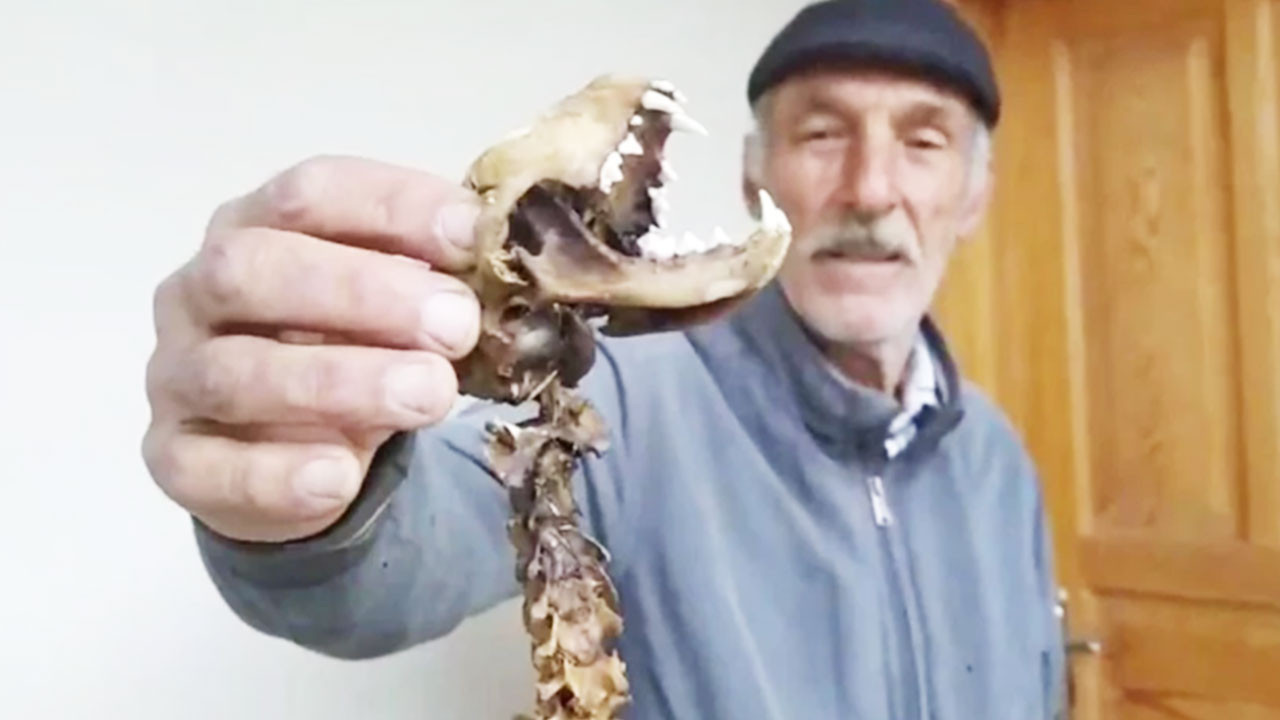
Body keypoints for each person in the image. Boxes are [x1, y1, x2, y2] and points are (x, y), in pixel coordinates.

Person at [142, 0, 1066, 717]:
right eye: (822, 134)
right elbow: (394, 566)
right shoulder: (623, 397)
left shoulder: (998, 461)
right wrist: (307, 494)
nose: (869, 190)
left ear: (974, 195)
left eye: (923, 143)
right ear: (755, 172)